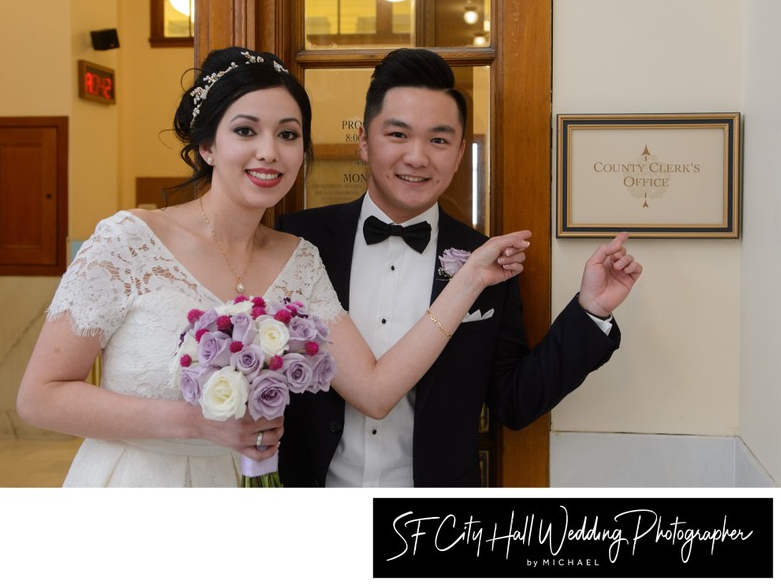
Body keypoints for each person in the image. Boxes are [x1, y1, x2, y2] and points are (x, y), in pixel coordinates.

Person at [16, 47, 526, 487]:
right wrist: (198, 423)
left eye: (288, 134)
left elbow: (374, 391)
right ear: (208, 145)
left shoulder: (297, 258)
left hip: (248, 492)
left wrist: (471, 278)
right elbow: (39, 398)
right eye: (246, 130)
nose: (269, 152)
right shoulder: (129, 239)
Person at [276, 47, 643, 487]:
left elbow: (514, 403)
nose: (417, 157)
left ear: (459, 153)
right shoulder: (296, 241)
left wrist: (591, 312)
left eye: (438, 139)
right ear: (363, 141)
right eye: (397, 135)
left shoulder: (487, 261)